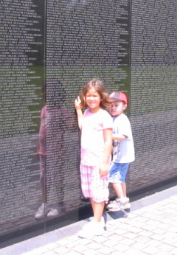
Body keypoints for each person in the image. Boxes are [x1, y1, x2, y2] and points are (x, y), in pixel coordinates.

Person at [74, 79, 113, 238]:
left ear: (101, 97)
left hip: (99, 162)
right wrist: (78, 110)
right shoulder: (87, 113)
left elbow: (108, 140)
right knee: (91, 192)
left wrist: (104, 163)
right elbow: (83, 126)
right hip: (87, 160)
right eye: (88, 96)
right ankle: (97, 219)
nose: (91, 99)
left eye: (95, 96)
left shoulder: (104, 116)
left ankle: (97, 224)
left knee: (99, 193)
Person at [35, 79, 72, 219]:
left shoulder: (62, 110)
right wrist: (38, 147)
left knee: (56, 178)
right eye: (44, 93)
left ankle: (59, 204)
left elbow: (70, 126)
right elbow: (41, 130)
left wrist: (74, 114)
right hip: (44, 151)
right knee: (43, 178)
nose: (45, 96)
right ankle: (44, 204)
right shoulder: (44, 109)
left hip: (56, 150)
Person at [106, 91, 135, 212]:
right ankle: (124, 199)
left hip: (123, 157)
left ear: (124, 106)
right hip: (120, 156)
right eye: (111, 105)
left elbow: (123, 136)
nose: (113, 107)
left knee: (113, 177)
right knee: (121, 178)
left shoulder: (122, 120)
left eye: (116, 105)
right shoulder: (114, 119)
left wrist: (108, 136)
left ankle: (121, 200)